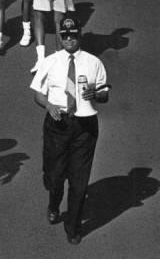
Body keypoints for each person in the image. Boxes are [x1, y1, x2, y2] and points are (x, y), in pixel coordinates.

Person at [30, 15, 109, 244]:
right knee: (54, 178)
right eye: (64, 36)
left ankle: (73, 226)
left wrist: (97, 94)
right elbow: (37, 93)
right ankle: (54, 203)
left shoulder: (93, 62)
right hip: (57, 125)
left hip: (84, 127)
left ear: (79, 35)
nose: (68, 39)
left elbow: (104, 93)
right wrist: (48, 105)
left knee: (79, 182)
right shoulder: (51, 61)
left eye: (72, 35)